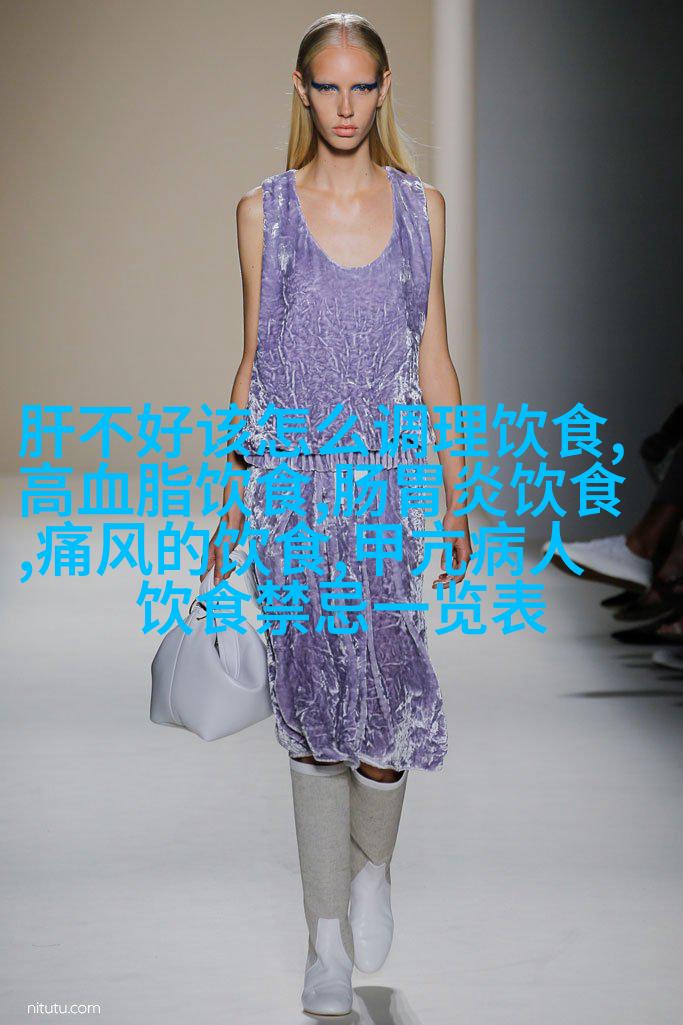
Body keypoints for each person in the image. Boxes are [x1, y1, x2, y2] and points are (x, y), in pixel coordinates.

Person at [205, 13, 472, 1017]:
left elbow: (434, 358)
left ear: (384, 88)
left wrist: (456, 490)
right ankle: (323, 940)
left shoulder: (422, 208)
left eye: (362, 86)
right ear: (302, 90)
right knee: (314, 713)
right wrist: (234, 497)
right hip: (296, 492)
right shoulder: (261, 212)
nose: (346, 106)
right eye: (329, 86)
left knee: (391, 701)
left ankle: (372, 869)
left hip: (390, 488)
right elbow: (254, 361)